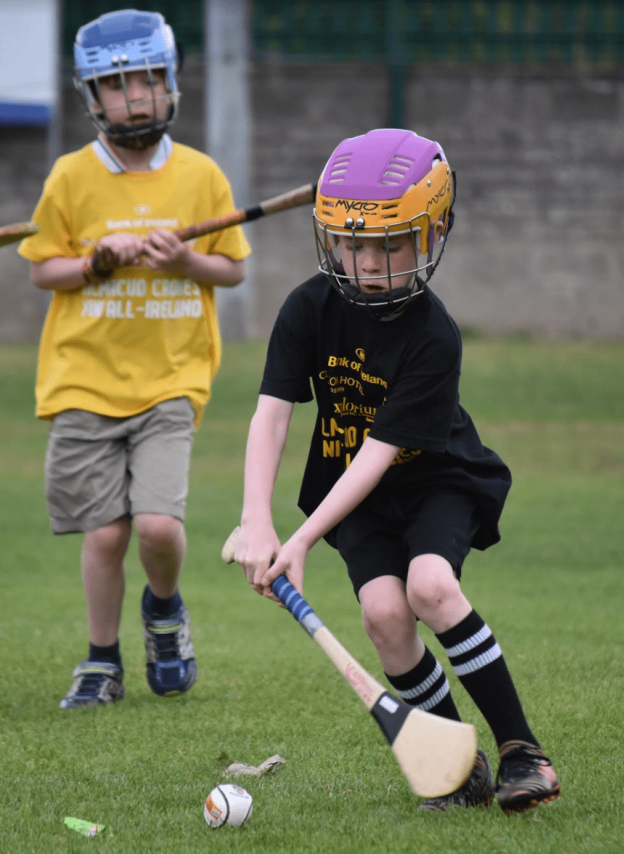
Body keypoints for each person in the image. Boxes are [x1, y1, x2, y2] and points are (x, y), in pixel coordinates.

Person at [232, 128, 560, 813]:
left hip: (436, 477)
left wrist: (300, 542)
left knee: (430, 586)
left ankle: (521, 752)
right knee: (384, 614)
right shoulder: (307, 308)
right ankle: (454, 764)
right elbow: (271, 416)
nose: (367, 264)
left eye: (389, 245)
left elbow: (379, 455)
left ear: (431, 234)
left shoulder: (433, 335)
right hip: (354, 496)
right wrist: (256, 519)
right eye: (351, 246)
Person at [17, 9, 250, 710]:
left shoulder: (201, 175)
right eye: (118, 85)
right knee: (106, 532)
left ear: (170, 83)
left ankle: (165, 610)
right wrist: (93, 263)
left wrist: (184, 259)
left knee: (155, 526)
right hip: (84, 380)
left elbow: (232, 270)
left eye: (148, 80)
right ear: (92, 97)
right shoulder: (70, 177)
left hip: (172, 380)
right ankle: (100, 660)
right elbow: (42, 270)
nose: (136, 97)